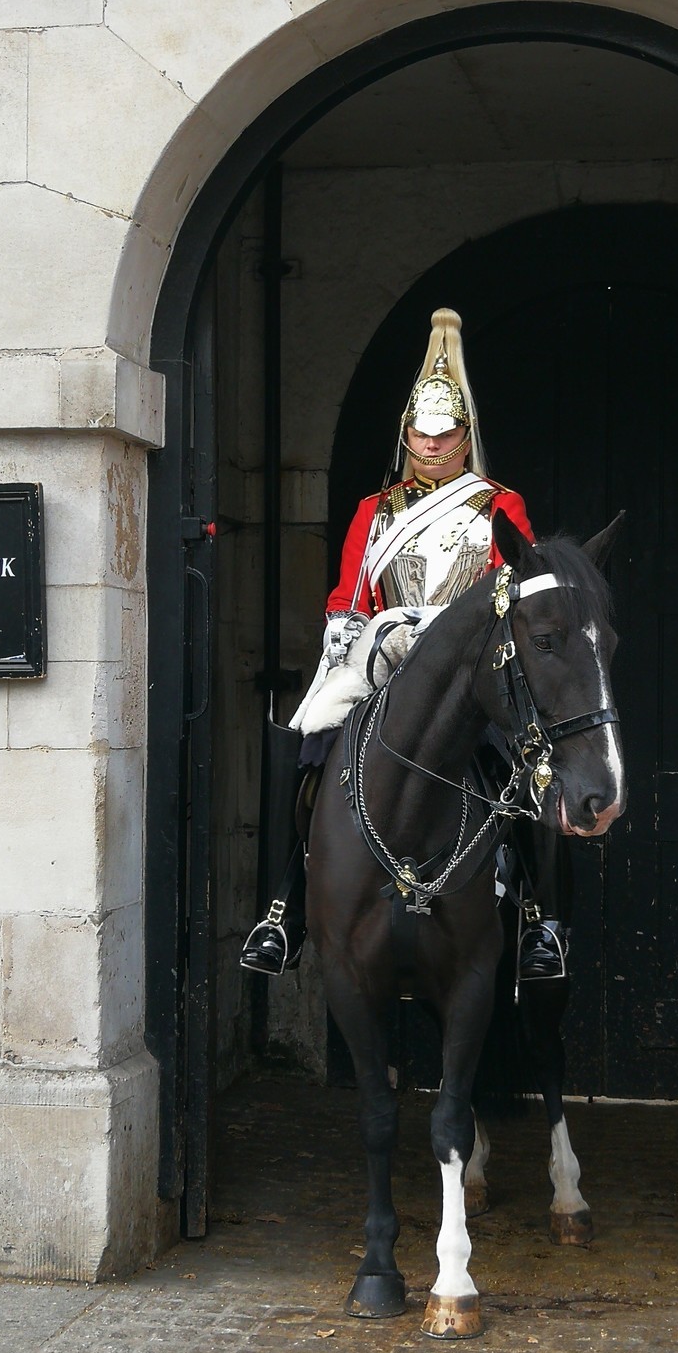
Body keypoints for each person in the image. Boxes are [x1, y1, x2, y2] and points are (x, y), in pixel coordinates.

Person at [241, 307, 568, 980]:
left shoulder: (500, 505)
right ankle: (283, 908)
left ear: (463, 435)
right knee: (307, 744)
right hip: (384, 657)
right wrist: (350, 637)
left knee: (531, 765)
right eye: (421, 433)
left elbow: (517, 585)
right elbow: (349, 593)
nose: (432, 445)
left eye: (445, 435)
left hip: (469, 664)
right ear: (407, 434)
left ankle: (539, 920)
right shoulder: (375, 509)